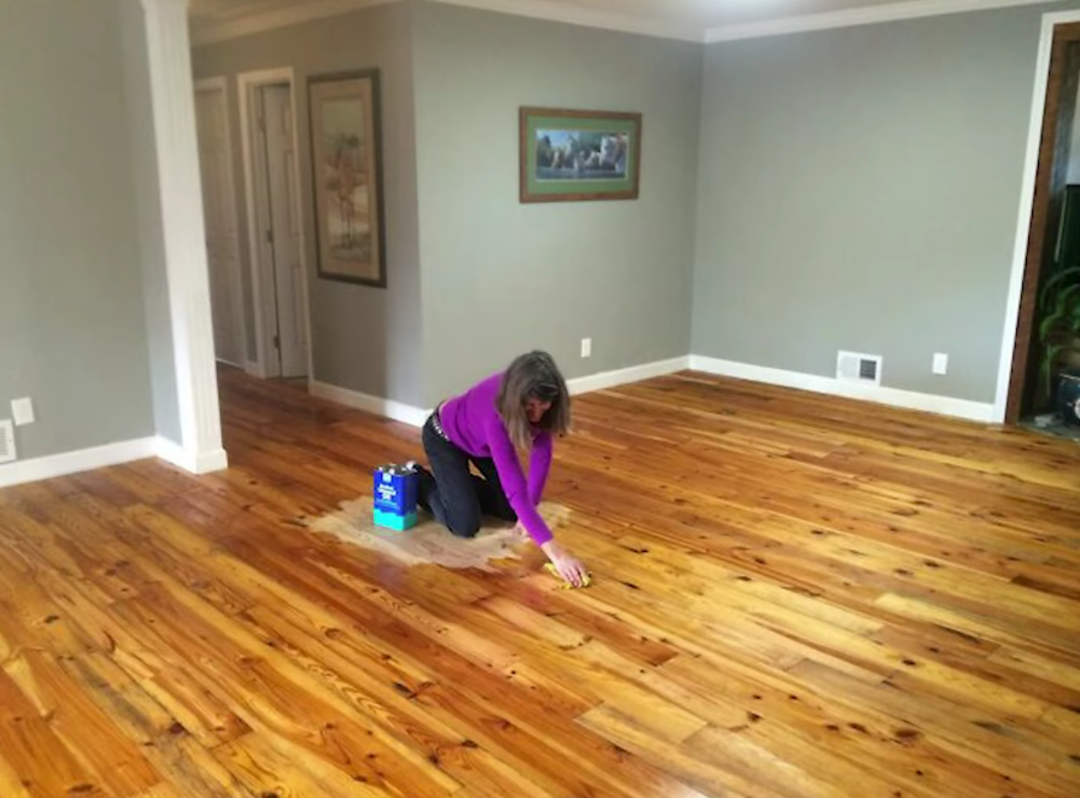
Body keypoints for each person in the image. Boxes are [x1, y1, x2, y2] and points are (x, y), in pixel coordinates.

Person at [412, 351, 589, 587]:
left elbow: (541, 456)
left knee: (516, 511)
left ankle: (456, 487)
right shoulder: (495, 412)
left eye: (544, 407)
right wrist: (558, 554)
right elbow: (514, 487)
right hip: (444, 436)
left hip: (480, 444)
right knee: (464, 524)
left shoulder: (541, 404)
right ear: (518, 400)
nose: (537, 416)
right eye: (530, 407)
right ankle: (418, 479)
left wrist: (530, 508)